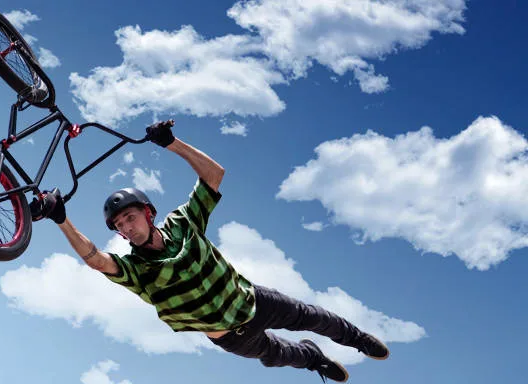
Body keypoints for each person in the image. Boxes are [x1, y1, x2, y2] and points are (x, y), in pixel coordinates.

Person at [30, 120, 389, 382]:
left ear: (147, 213)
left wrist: (173, 143)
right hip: (229, 335)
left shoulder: (184, 223)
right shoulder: (137, 271)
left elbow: (214, 177)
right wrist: (62, 219)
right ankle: (313, 359)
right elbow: (95, 260)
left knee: (312, 316)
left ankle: (357, 339)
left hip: (251, 300)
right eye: (119, 225)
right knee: (277, 355)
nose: (126, 226)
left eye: (130, 217)